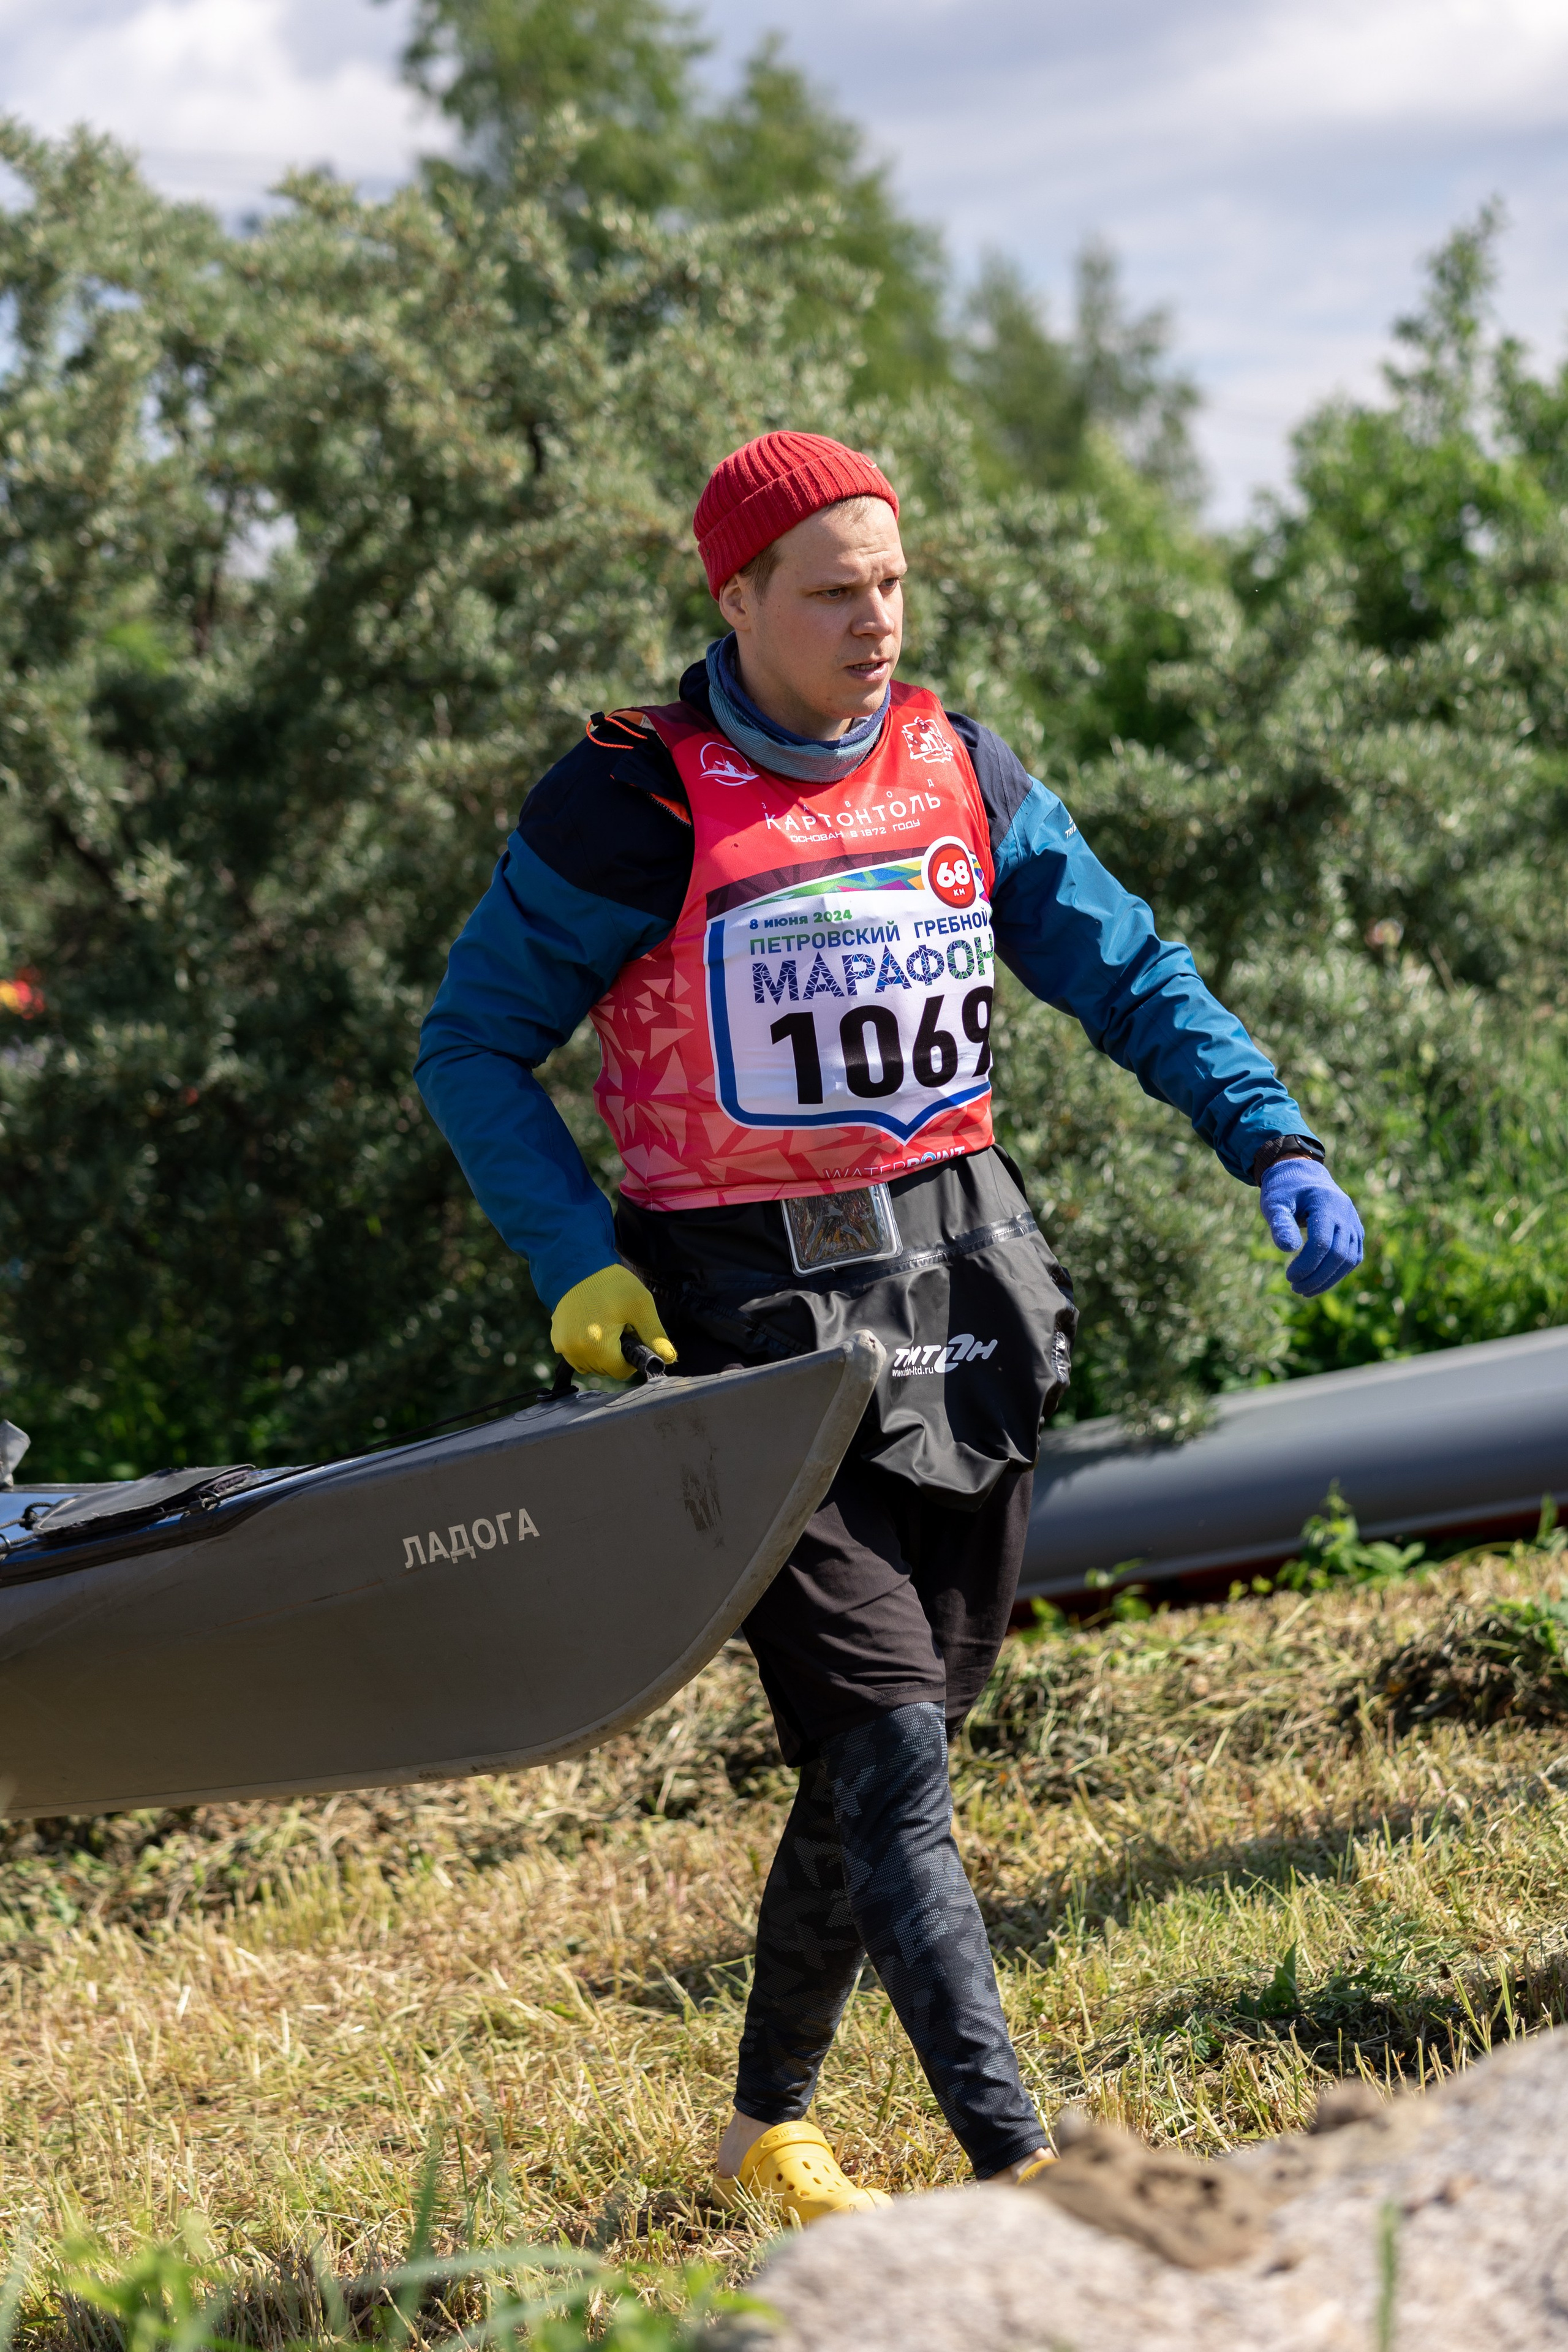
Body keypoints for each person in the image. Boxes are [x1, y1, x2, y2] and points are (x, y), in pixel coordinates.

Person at [415, 430, 1364, 2218]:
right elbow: (466, 1044)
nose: (874, 620)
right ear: (739, 601)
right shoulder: (632, 797)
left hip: (965, 1286)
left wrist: (1275, 1138)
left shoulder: (960, 767)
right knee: (891, 1748)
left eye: (893, 582)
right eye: (832, 592)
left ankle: (765, 2119)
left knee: (903, 1732)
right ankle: (1030, 2178)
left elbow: (1133, 974)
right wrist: (572, 1264)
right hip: (745, 1321)